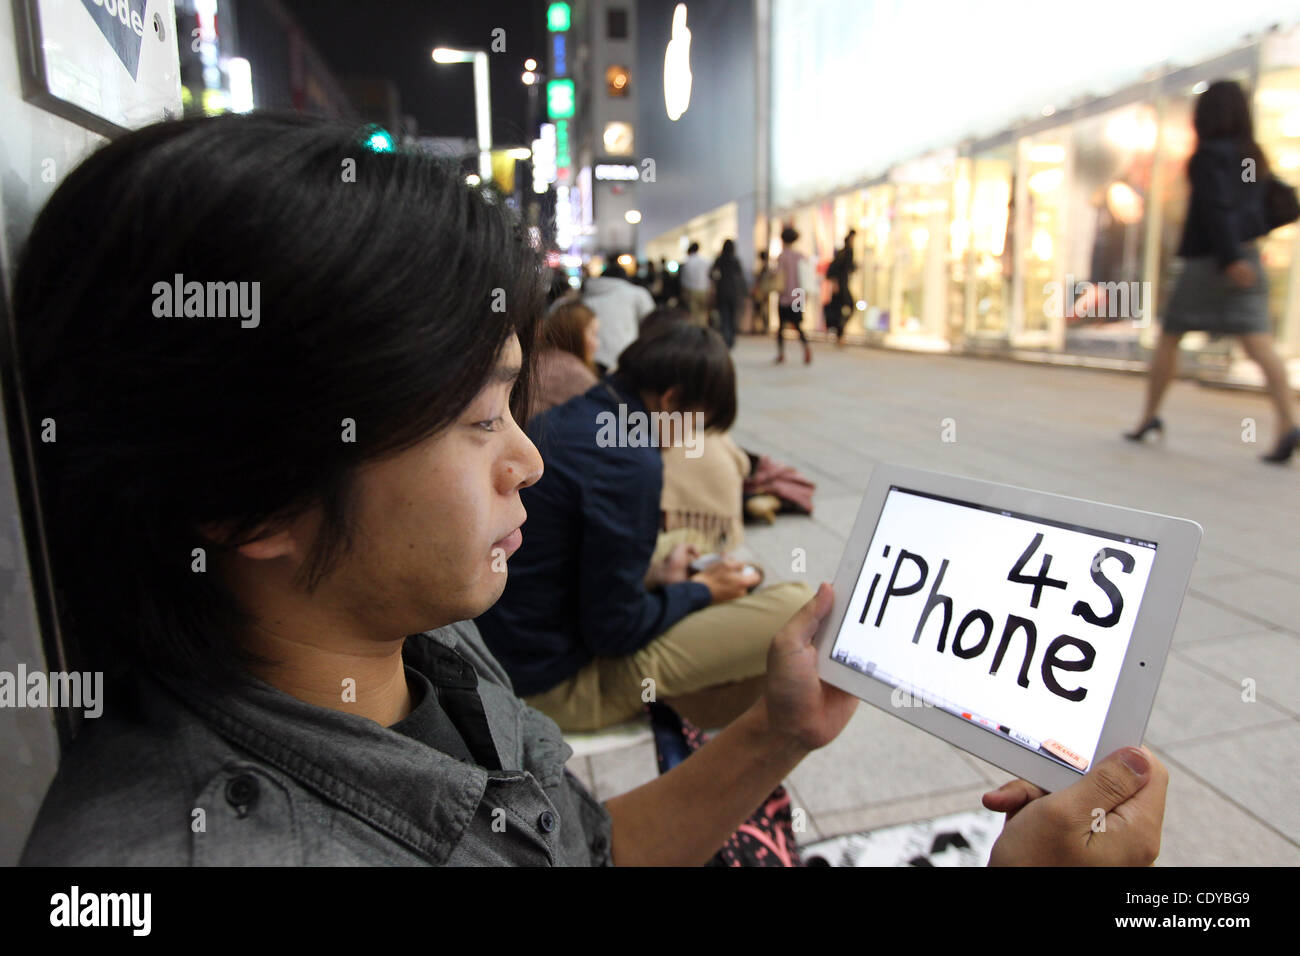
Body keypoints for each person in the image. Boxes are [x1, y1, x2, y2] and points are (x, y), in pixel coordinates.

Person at [16, 112, 1170, 868]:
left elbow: (581, 850)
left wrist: (775, 727)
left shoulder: (417, 643)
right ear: (250, 495)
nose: (529, 458)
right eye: (477, 423)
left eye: (516, 404)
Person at [475, 322, 811, 732]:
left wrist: (653, 576)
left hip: (503, 645)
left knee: (685, 541)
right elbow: (615, 633)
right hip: (548, 686)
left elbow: (570, 554)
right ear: (670, 401)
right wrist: (698, 592)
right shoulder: (631, 462)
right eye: (696, 425)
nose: (691, 440)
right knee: (796, 604)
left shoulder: (581, 415)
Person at [1127, 79, 1299, 462]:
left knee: (1170, 337)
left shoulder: (1207, 156)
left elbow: (1215, 208)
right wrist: (1244, 247)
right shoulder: (1250, 156)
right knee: (1259, 344)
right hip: (1247, 256)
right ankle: (1288, 423)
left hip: (1211, 260)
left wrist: (1228, 256)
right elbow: (1254, 203)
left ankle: (1148, 417)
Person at [582, 259, 655, 375]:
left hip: (589, 361)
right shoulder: (637, 293)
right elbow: (652, 324)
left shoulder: (585, 298)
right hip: (625, 360)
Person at [531, 298, 600, 417]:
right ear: (576, 336)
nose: (597, 343)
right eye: (593, 334)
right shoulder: (576, 373)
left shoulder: (535, 358)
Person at [775, 225, 813, 364]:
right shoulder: (800, 256)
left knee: (781, 327)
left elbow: (778, 276)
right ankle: (806, 346)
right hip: (798, 296)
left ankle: (781, 353)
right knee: (798, 325)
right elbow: (807, 278)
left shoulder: (782, 256)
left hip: (784, 297)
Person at [709, 238, 748, 348]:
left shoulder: (719, 259)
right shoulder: (735, 260)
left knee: (724, 317)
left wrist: (717, 281)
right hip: (734, 292)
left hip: (722, 291)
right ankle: (731, 339)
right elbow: (741, 277)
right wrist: (744, 292)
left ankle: (727, 339)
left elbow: (711, 274)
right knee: (732, 317)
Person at [824, 230, 856, 346]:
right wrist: (835, 283)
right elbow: (834, 269)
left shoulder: (847, 252)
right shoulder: (846, 252)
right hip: (840, 286)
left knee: (842, 309)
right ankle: (840, 332)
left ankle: (840, 333)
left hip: (842, 285)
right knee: (846, 307)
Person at [679, 240, 711, 326]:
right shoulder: (705, 261)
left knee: (693, 314)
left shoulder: (688, 262)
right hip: (704, 290)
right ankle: (703, 331)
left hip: (692, 291)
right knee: (703, 313)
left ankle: (696, 333)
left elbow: (684, 279)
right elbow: (710, 277)